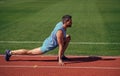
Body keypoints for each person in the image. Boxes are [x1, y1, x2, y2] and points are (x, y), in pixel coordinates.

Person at [5, 15, 72, 65]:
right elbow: (60, 45)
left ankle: (62, 55)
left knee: (68, 38)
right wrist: (59, 60)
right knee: (30, 52)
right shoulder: (60, 31)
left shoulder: (61, 23)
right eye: (70, 21)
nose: (71, 22)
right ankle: (10, 52)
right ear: (66, 22)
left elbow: (58, 36)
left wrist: (64, 36)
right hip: (48, 45)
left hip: (53, 40)